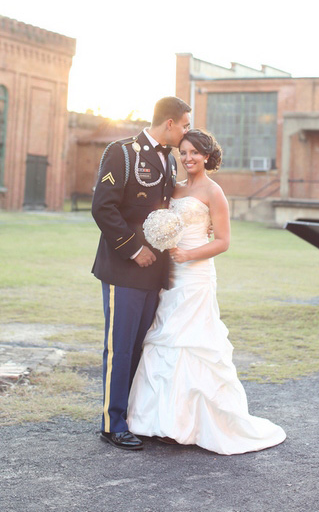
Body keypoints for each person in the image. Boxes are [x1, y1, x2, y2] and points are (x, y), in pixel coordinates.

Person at [127, 129, 286, 455]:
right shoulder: (174, 187)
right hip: (171, 272)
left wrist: (189, 255)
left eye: (194, 153)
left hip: (196, 274)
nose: (187, 158)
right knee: (166, 337)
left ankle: (188, 423)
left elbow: (223, 241)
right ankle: (159, 420)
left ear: (207, 156)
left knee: (191, 340)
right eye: (183, 152)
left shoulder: (214, 192)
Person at [91, 96, 191, 450]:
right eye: (185, 125)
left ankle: (132, 416)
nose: (186, 131)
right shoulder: (122, 152)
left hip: (155, 271)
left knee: (139, 346)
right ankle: (112, 423)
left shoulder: (168, 158)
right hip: (124, 268)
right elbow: (103, 207)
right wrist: (134, 249)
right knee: (120, 347)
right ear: (169, 123)